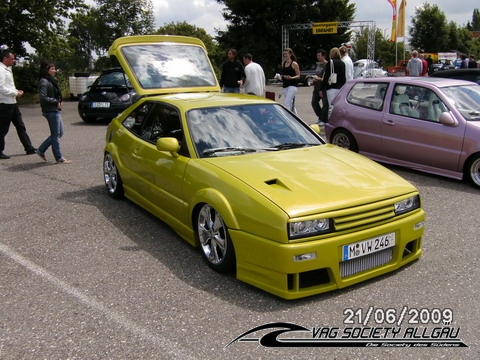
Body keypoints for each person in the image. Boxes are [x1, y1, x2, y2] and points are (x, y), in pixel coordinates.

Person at [0, 48, 36, 159]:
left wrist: (16, 91)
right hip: (5, 103)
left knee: (20, 125)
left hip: (12, 102)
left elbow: (9, 85)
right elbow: (1, 87)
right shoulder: (1, 69)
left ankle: (28, 147)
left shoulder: (7, 69)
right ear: (5, 58)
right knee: (3, 128)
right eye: (11, 59)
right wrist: (15, 92)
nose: (13, 61)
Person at [36, 61, 72, 164]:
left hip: (55, 110)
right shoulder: (44, 81)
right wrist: (56, 101)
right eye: (52, 69)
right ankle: (59, 158)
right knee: (56, 135)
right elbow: (43, 98)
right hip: (50, 111)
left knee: (59, 133)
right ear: (46, 70)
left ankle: (41, 150)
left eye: (54, 68)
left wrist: (58, 101)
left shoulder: (51, 80)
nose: (54, 71)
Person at [320, 47, 346, 113]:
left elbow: (326, 76)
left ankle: (331, 120)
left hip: (332, 86)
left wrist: (321, 89)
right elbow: (343, 77)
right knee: (338, 106)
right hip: (340, 88)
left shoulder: (330, 63)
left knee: (331, 106)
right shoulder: (342, 63)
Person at [310, 48, 328, 125]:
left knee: (325, 104)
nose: (317, 57)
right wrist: (313, 80)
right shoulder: (318, 64)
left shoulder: (327, 65)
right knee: (314, 102)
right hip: (316, 87)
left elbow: (326, 77)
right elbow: (317, 74)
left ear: (323, 56)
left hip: (323, 87)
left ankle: (324, 120)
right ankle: (321, 117)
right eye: (317, 55)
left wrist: (320, 79)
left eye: (319, 55)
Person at [280, 48, 300, 113]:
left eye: (286, 54)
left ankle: (288, 118)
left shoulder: (294, 64)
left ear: (290, 54)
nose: (285, 55)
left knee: (286, 103)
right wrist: (280, 77)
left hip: (292, 85)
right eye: (284, 54)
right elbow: (282, 74)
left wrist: (291, 78)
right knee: (291, 104)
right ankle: (296, 118)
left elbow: (298, 75)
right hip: (285, 86)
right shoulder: (283, 63)